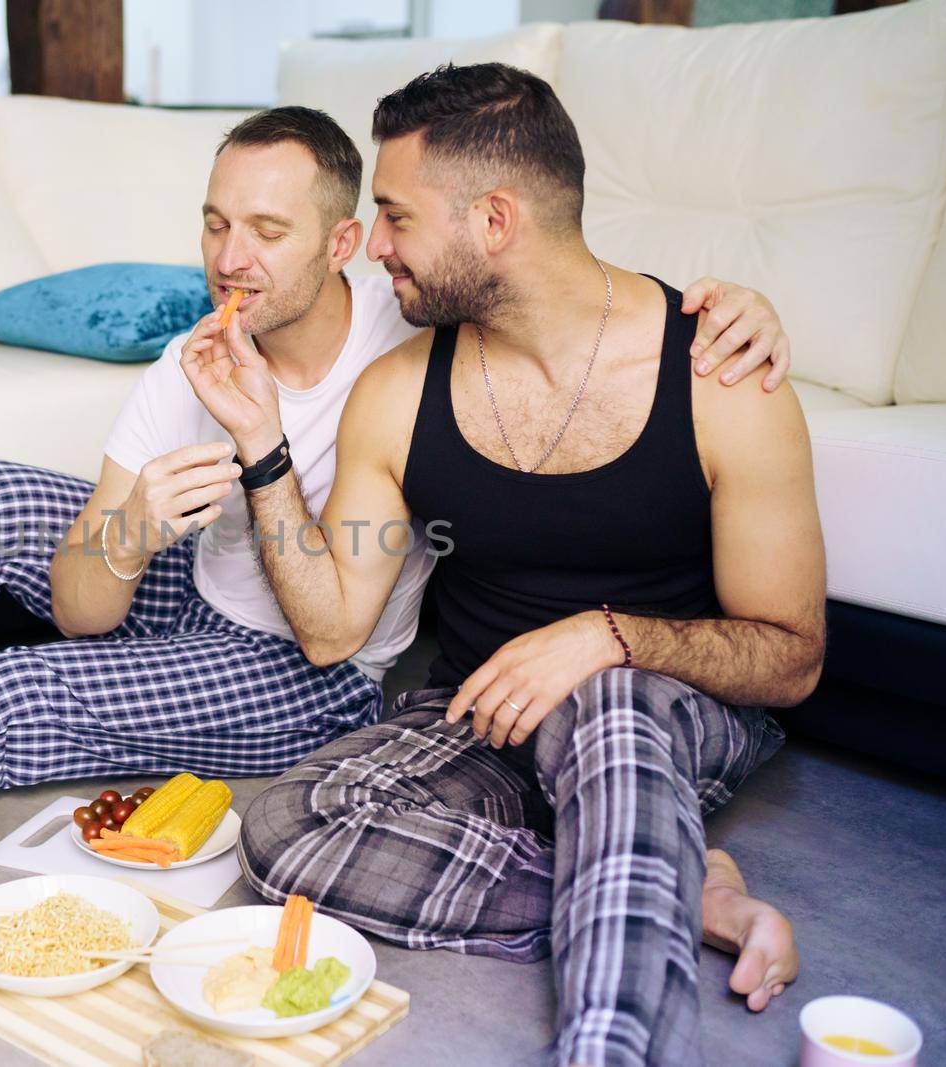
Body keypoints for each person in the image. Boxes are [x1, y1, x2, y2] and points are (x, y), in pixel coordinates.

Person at [0, 106, 792, 864]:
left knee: (13, 691)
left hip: (302, 664)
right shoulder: (196, 351)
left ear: (351, 242)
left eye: (268, 232)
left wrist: (730, 305)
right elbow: (84, 600)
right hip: (197, 587)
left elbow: (562, 296)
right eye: (212, 223)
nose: (228, 259)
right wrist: (126, 531)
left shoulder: (411, 338)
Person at [181, 68, 820, 1067]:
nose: (374, 241)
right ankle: (667, 879)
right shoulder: (396, 393)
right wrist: (261, 445)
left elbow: (791, 660)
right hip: (480, 707)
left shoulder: (717, 374)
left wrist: (602, 637)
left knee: (608, 700)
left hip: (667, 703)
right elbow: (330, 629)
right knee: (289, 828)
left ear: (493, 219)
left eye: (393, 214)